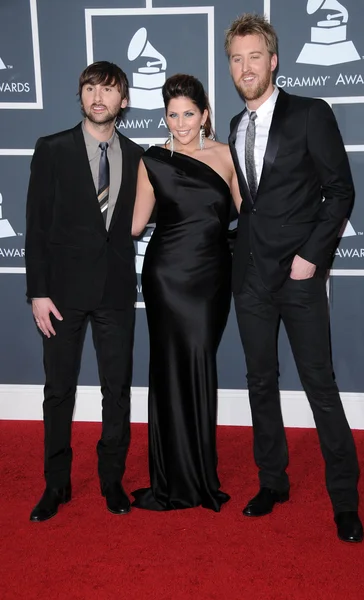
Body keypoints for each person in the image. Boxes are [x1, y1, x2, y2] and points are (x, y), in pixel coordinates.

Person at [225, 14, 363, 542]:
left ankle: (345, 499)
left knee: (320, 386)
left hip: (300, 277)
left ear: (273, 59)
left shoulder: (309, 114)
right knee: (260, 383)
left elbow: (340, 191)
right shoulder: (236, 127)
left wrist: (312, 257)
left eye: (254, 56)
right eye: (236, 59)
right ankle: (272, 481)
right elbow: (250, 205)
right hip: (251, 280)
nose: (245, 67)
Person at [26, 61, 143, 522]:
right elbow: (35, 226)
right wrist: (38, 291)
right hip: (61, 295)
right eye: (90, 88)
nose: (99, 97)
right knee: (58, 391)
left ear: (124, 101)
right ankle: (56, 484)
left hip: (115, 292)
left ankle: (112, 480)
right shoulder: (52, 149)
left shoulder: (138, 156)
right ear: (81, 96)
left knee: (116, 390)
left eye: (109, 90)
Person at [131, 74, 240, 511]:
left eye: (189, 114)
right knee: (168, 368)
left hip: (211, 276)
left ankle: (198, 473)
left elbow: (247, 215)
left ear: (205, 114)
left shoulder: (227, 156)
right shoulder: (152, 160)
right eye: (173, 115)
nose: (180, 123)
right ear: (165, 115)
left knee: (199, 363)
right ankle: (173, 478)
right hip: (166, 277)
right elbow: (135, 226)